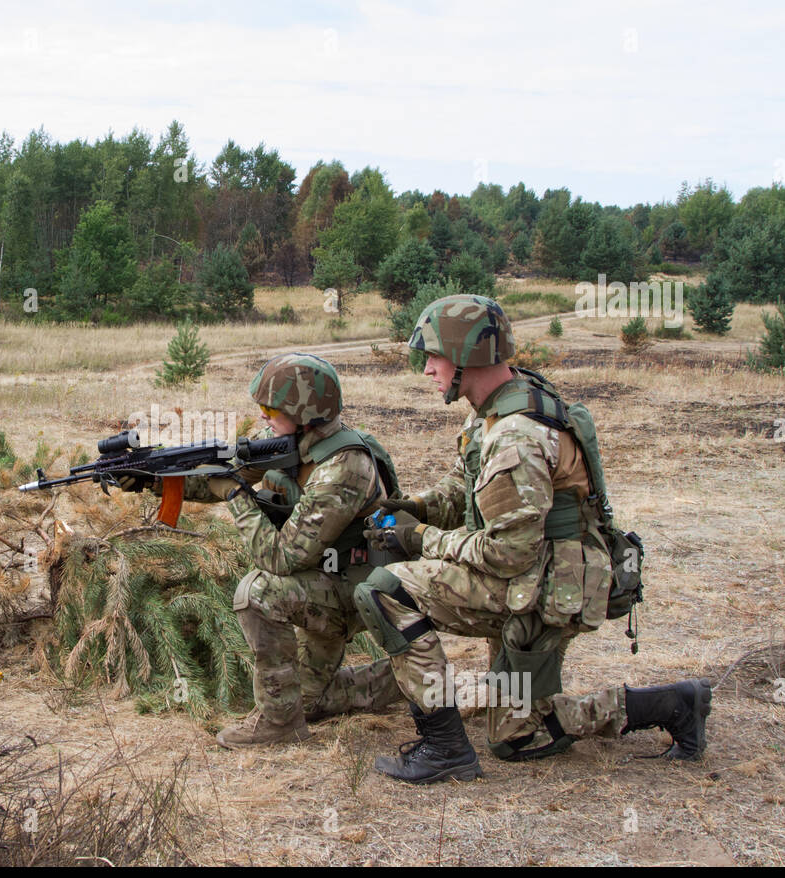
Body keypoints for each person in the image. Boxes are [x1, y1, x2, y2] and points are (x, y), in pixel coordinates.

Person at [346, 294, 710, 784]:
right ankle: (675, 703)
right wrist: (415, 508)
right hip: (541, 580)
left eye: (434, 356)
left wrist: (422, 539)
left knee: (383, 589)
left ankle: (444, 746)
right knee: (519, 739)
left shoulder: (516, 435)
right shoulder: (498, 405)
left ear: (467, 355)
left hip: (538, 590)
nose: (427, 369)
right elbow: (464, 485)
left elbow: (504, 552)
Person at [126, 353, 405, 747]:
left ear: (305, 412)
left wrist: (237, 496)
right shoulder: (294, 443)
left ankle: (278, 723)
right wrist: (151, 480)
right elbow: (225, 475)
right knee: (308, 701)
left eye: (270, 409)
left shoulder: (344, 468)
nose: (262, 417)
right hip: (326, 579)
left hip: (358, 592)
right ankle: (403, 681)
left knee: (258, 591)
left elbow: (279, 557)